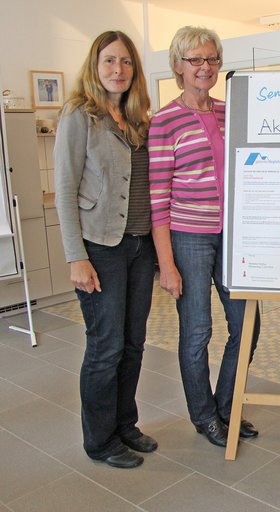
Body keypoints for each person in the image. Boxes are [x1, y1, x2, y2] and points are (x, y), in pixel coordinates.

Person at [149, 26, 260, 448]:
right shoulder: (164, 120)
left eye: (212, 59)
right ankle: (203, 415)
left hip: (235, 237)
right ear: (178, 65)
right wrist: (167, 264)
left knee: (246, 325)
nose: (205, 67)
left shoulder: (230, 112)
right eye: (195, 59)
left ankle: (227, 407)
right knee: (197, 331)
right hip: (189, 237)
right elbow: (158, 198)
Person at [55, 30, 157, 469]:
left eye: (126, 62)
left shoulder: (137, 119)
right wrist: (75, 256)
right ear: (95, 67)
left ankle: (124, 424)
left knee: (134, 343)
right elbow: (64, 187)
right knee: (105, 347)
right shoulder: (80, 115)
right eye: (110, 61)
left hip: (139, 246)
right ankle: (99, 440)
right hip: (100, 249)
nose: (119, 70)